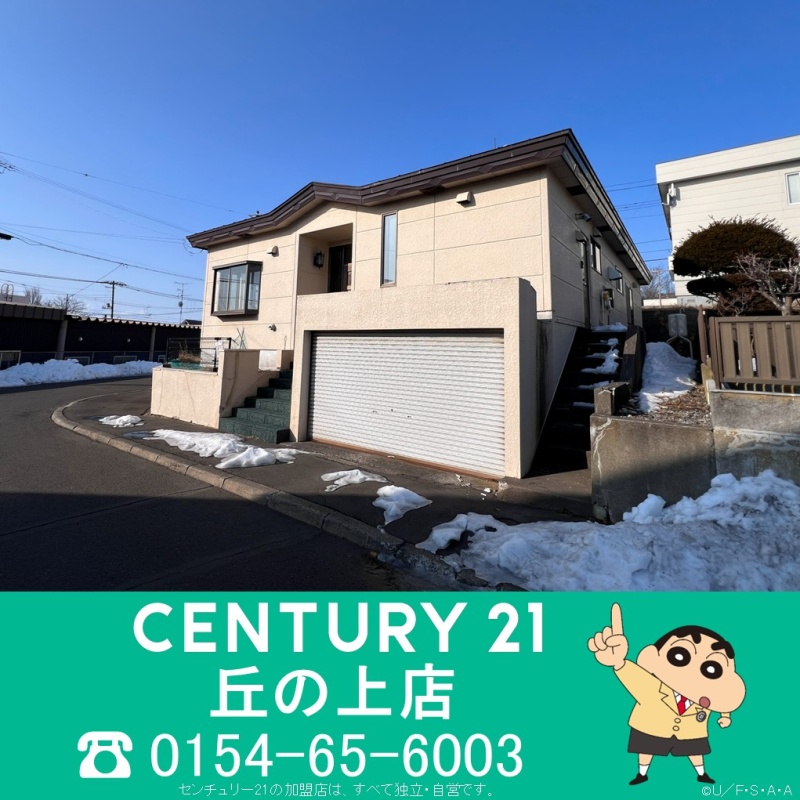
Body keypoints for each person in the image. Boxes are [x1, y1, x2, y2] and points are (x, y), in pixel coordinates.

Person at [588, 603, 745, 785]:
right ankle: (642, 774)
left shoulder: (706, 694)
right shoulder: (653, 687)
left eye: (712, 669)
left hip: (691, 732)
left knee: (695, 752)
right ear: (653, 656)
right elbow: (635, 676)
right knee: (646, 750)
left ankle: (702, 773)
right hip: (650, 728)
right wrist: (619, 663)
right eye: (679, 656)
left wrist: (725, 716)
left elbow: (724, 697)